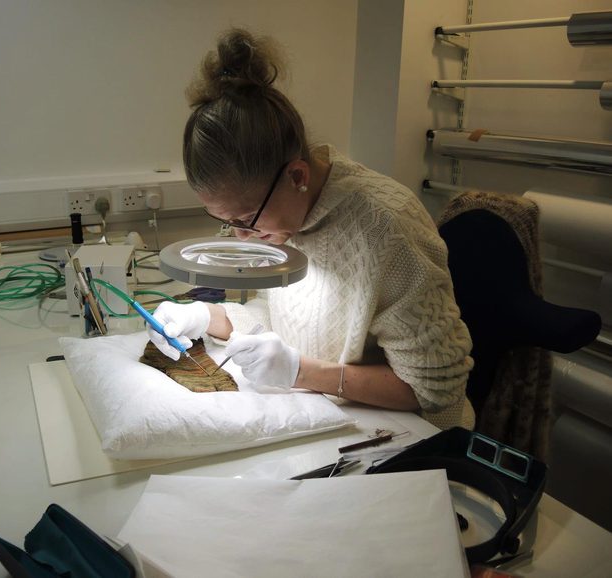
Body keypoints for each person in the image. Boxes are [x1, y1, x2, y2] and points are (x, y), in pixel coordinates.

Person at [149, 28, 475, 429]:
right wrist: (206, 316)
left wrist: (300, 372)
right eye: (226, 222)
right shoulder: (283, 219)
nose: (240, 237)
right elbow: (277, 318)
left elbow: (434, 391)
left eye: (246, 219)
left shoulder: (387, 227)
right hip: (316, 420)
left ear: (297, 175)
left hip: (409, 444)